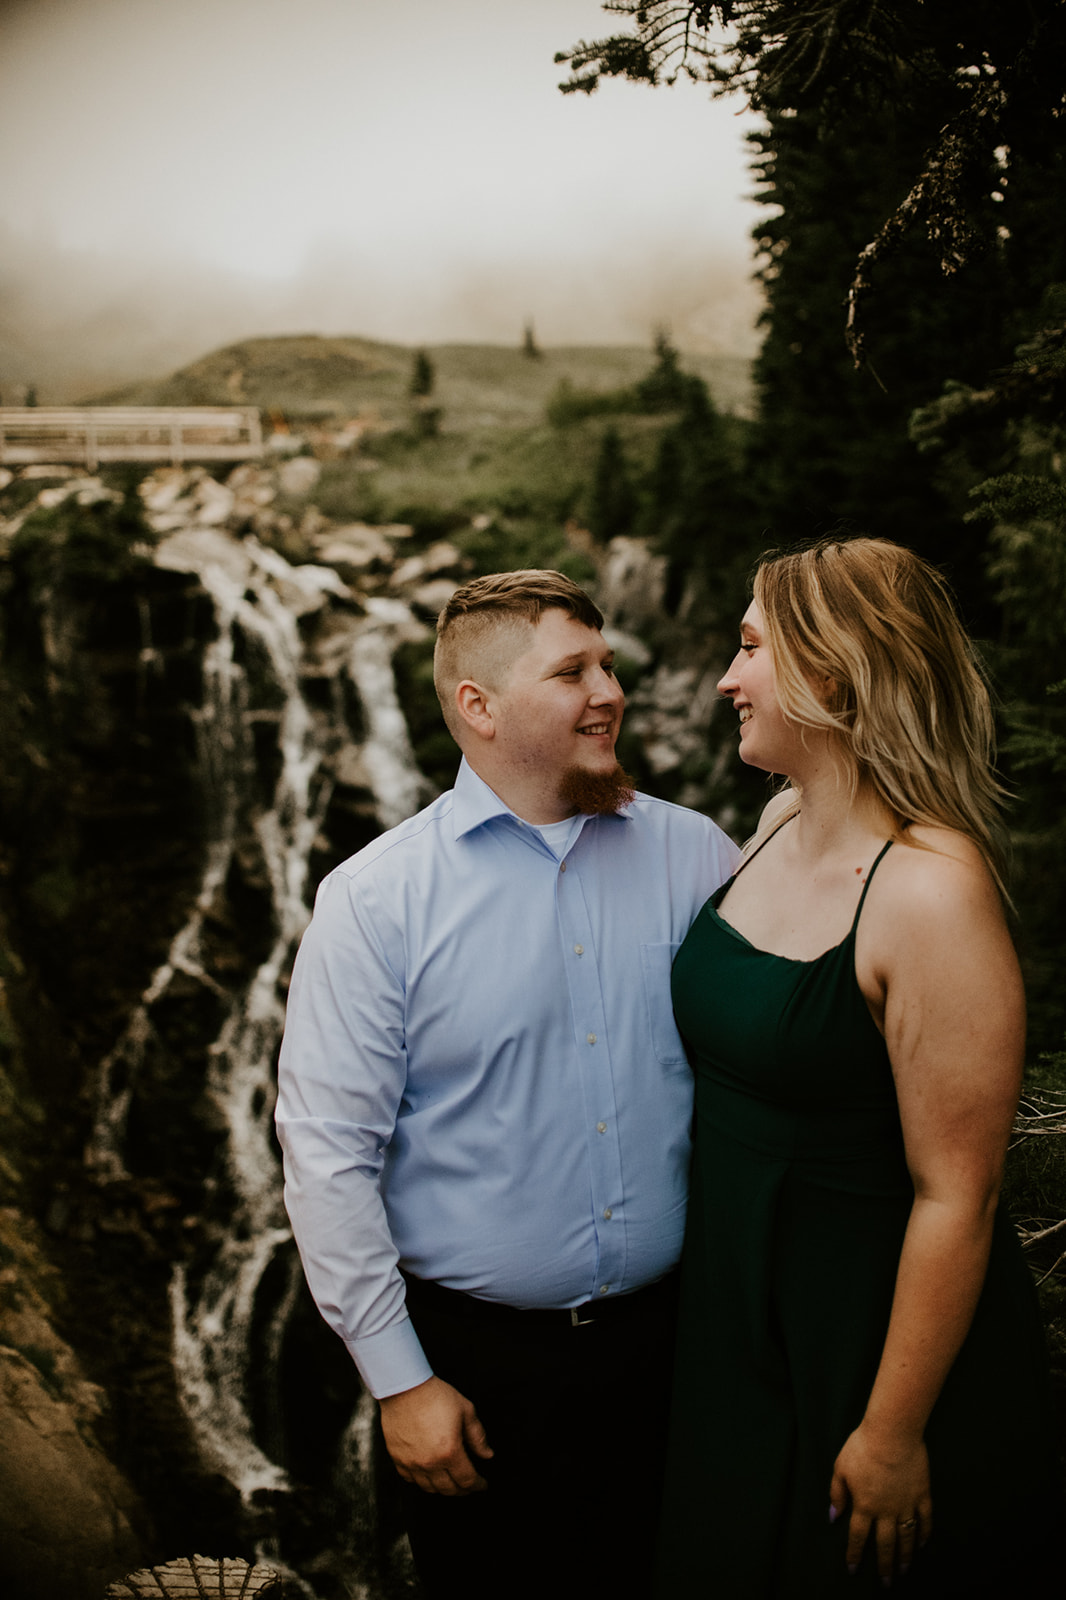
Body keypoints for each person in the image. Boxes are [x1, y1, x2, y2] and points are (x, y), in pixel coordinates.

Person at [275, 568, 739, 1599]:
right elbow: (326, 1153)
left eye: (607, 662)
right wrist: (399, 1382)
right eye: (571, 670)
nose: (608, 690)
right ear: (475, 706)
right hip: (477, 1379)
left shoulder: (697, 856)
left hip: (680, 1352)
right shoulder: (374, 901)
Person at [656, 536, 1062, 1598]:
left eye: (748, 649)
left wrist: (890, 1430)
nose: (724, 679)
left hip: (867, 1334)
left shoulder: (929, 892)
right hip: (737, 1316)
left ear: (827, 675)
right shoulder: (778, 818)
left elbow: (956, 1194)